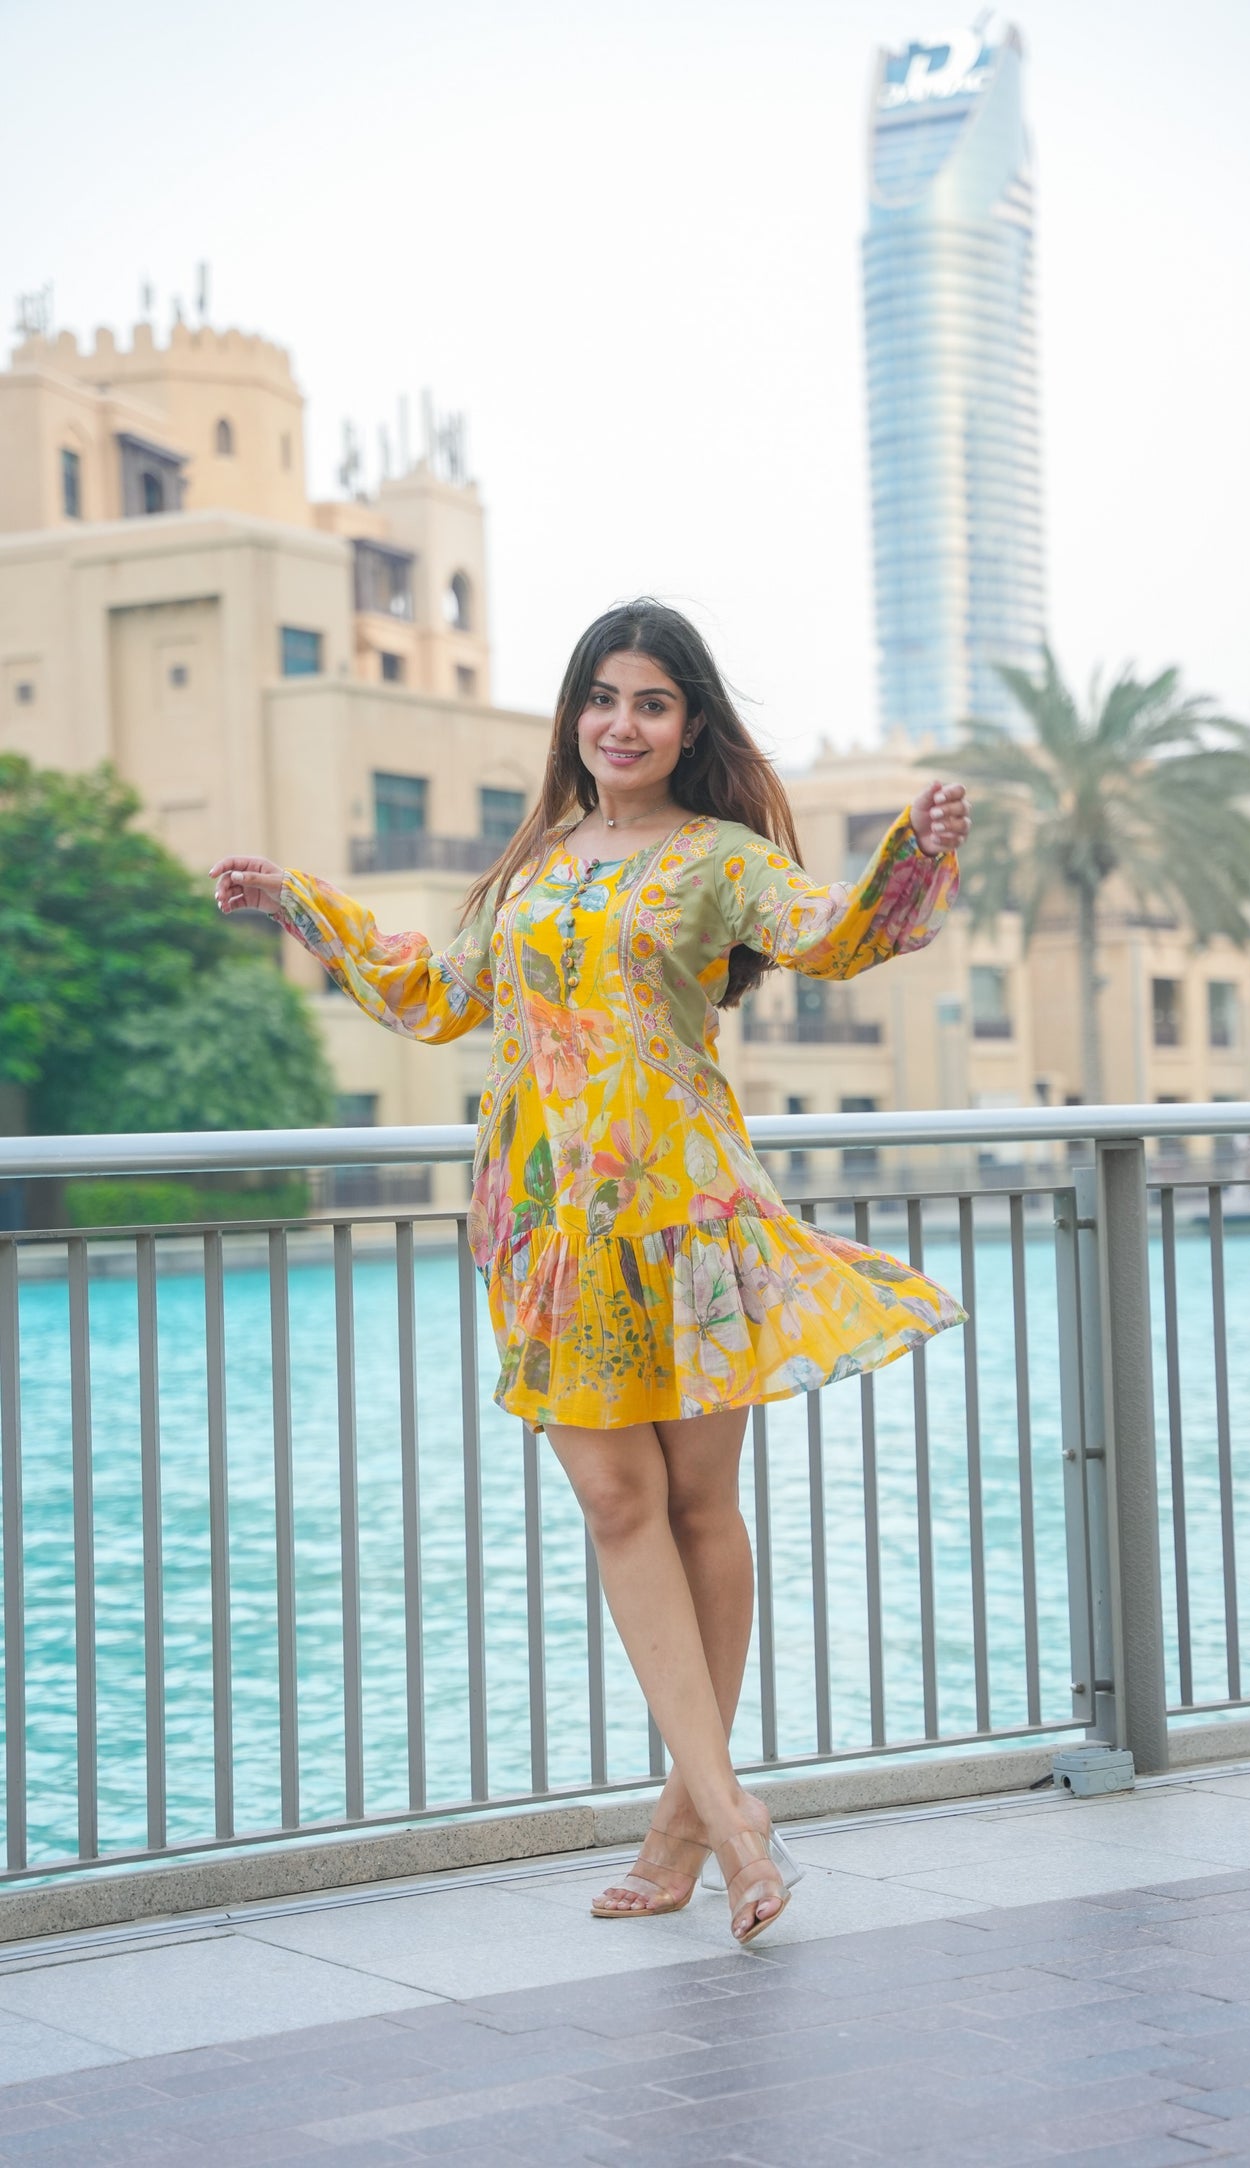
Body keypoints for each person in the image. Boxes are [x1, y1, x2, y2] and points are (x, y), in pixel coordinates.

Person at [212, 599, 970, 1947]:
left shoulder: (719, 859)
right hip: (547, 1221)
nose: (621, 725)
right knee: (619, 1502)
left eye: (652, 703)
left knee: (697, 1505)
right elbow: (435, 995)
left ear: (691, 726)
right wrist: (302, 907)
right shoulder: (532, 867)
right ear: (576, 715)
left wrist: (909, 855)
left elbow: (834, 933)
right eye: (601, 699)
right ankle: (733, 1814)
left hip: (684, 1210)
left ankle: (691, 1821)